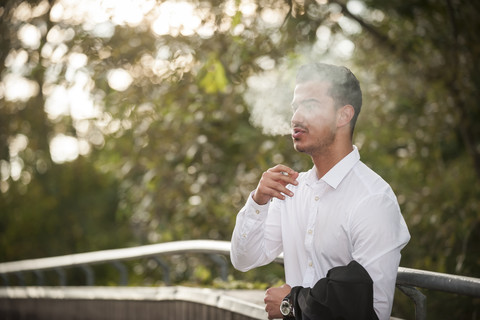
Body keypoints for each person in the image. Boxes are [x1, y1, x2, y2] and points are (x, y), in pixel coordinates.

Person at [230, 62, 410, 320]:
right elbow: (243, 259)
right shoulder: (290, 190)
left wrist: (291, 304)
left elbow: (374, 310)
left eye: (310, 105)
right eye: (295, 107)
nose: (295, 118)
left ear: (343, 116)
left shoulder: (373, 200)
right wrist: (258, 202)